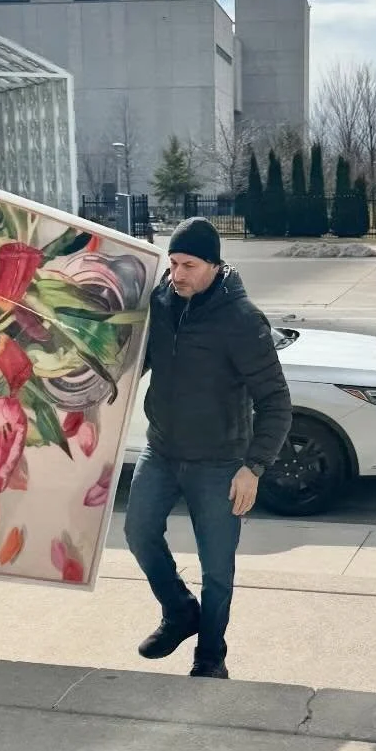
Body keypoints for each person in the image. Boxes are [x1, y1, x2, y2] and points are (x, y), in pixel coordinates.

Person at [125, 217, 291, 677]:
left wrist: (253, 468)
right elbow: (140, 362)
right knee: (138, 534)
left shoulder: (241, 321)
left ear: (215, 266)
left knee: (217, 569)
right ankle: (180, 611)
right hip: (161, 451)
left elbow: (276, 401)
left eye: (189, 265)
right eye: (173, 263)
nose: (177, 274)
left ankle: (211, 656)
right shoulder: (161, 300)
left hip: (221, 463)